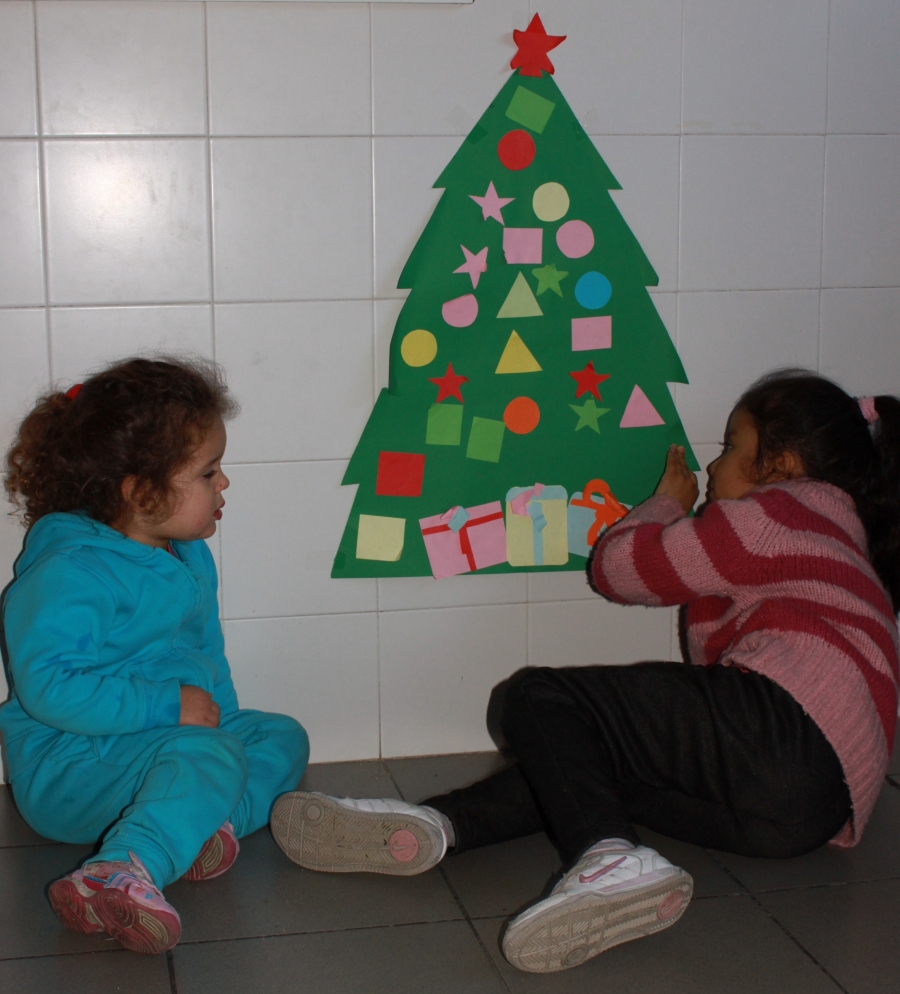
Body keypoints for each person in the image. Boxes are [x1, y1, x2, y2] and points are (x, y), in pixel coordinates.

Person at [270, 369, 899, 974]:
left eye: (732, 446)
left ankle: (609, 859)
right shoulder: (839, 538)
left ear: (783, 464)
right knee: (598, 769)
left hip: (785, 732)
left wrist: (662, 505)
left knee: (538, 696)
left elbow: (620, 569)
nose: (711, 467)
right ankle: (439, 826)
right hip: (804, 816)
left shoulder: (784, 513)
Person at [0, 357, 309, 955]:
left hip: (162, 743)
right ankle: (117, 868)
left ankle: (196, 826)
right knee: (211, 754)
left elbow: (206, 656)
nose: (224, 485)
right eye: (209, 472)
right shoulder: (68, 572)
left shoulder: (186, 556)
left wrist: (218, 718)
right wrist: (169, 707)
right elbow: (49, 686)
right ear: (141, 492)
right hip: (71, 768)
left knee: (282, 737)